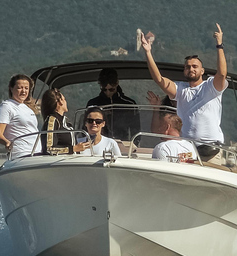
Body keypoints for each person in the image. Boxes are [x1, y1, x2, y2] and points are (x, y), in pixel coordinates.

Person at [141, 23, 228, 163]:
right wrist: (148, 52)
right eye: (187, 67)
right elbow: (159, 79)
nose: (191, 69)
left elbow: (222, 74)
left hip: (212, 150)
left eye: (195, 66)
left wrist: (219, 45)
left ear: (202, 71)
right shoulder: (180, 89)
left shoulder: (211, 86)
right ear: (184, 71)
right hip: (187, 149)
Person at [86, 68, 141, 140]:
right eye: (104, 90)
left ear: (117, 84)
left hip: (123, 144)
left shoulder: (129, 104)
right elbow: (85, 127)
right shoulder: (93, 104)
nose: (108, 93)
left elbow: (136, 130)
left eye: (111, 89)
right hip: (99, 143)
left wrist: (134, 145)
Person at [0, 74, 39, 158]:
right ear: (11, 88)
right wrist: (6, 142)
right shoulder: (7, 106)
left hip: (37, 152)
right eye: (19, 88)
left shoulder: (28, 108)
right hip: (21, 154)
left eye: (26, 88)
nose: (23, 91)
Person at [40, 88, 90, 155]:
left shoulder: (66, 122)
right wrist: (74, 149)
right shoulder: (52, 120)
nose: (66, 102)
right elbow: (49, 149)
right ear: (60, 101)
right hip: (59, 164)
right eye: (64, 99)